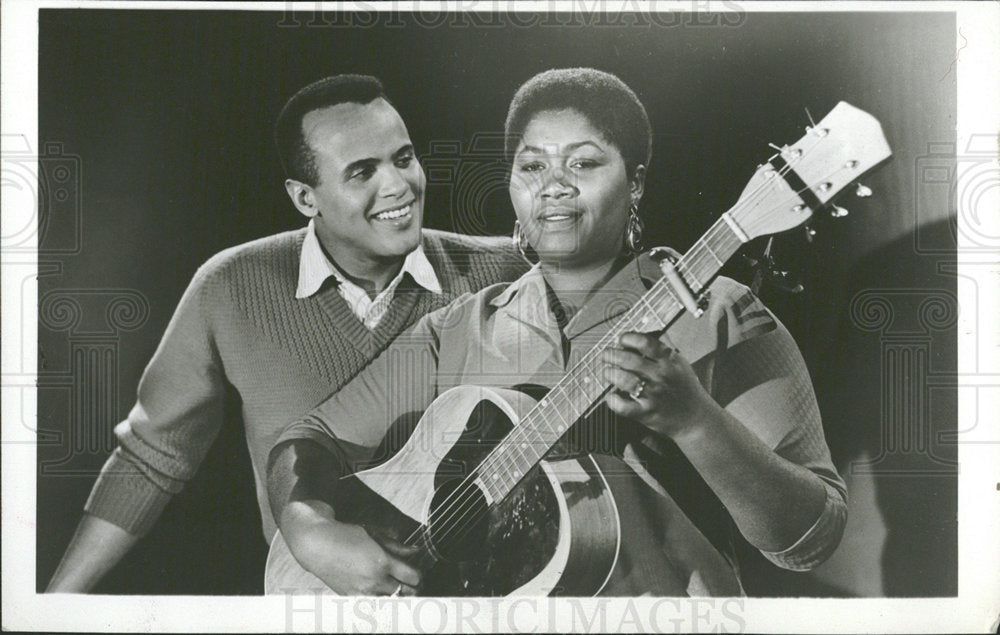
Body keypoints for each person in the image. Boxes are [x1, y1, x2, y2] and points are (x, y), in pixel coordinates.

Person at [266, 68, 847, 596]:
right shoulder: (460, 326)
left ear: (636, 182)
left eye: (584, 164)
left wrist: (695, 422)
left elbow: (811, 539)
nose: (554, 186)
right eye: (532, 167)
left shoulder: (720, 313)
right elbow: (312, 436)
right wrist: (308, 529)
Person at [46, 74, 528, 593]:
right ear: (304, 198)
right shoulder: (230, 287)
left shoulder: (508, 270)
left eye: (404, 158)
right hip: (304, 603)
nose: (398, 186)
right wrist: (54, 604)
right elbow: (152, 457)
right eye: (362, 171)